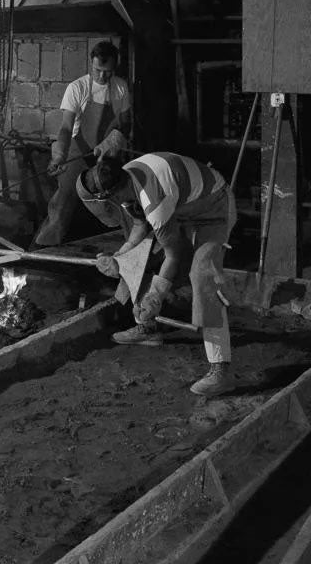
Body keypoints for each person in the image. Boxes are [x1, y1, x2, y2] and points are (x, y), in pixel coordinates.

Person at [78, 151, 237, 398]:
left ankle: (220, 370)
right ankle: (148, 328)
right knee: (139, 256)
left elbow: (173, 255)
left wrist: (156, 295)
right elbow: (140, 224)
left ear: (114, 194)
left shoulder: (153, 199)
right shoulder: (125, 176)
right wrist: (120, 256)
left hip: (213, 208)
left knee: (202, 275)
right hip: (180, 209)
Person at [32, 40, 132, 247]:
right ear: (91, 64)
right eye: (98, 70)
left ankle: (131, 245)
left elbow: (125, 123)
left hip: (109, 153)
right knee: (64, 199)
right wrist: (59, 156)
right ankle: (44, 247)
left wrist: (113, 141)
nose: (103, 76)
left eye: (108, 71)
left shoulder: (120, 88)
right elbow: (67, 128)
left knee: (121, 197)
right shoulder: (77, 88)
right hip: (79, 149)